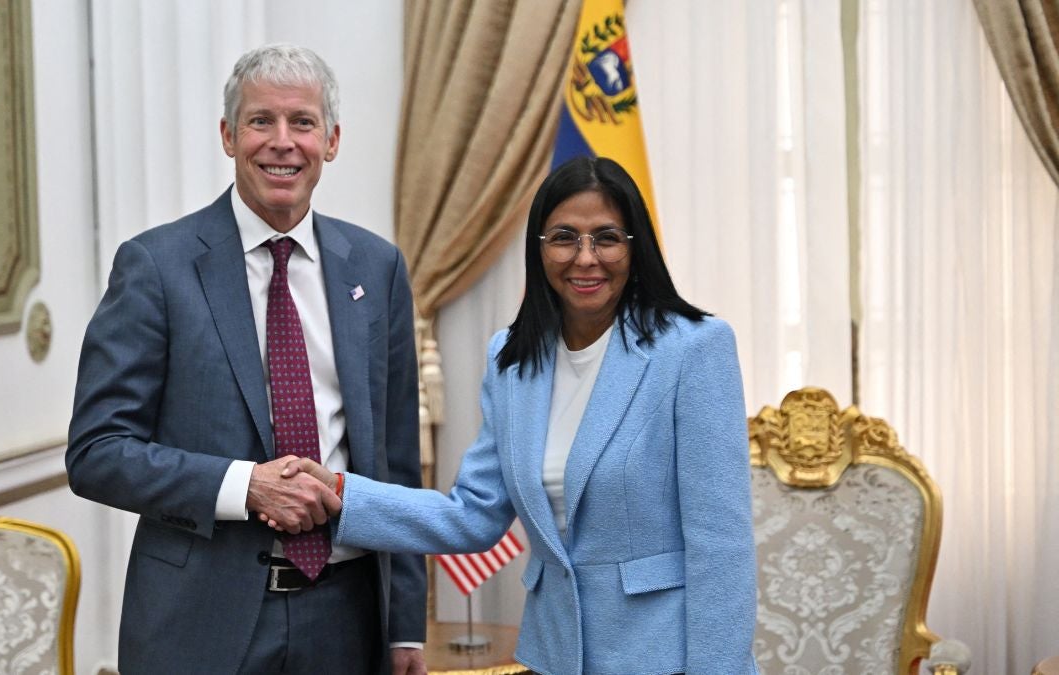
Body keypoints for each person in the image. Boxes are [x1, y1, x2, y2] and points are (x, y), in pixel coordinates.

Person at [278, 156, 758, 674]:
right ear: (539, 247)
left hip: (665, 658)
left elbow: (721, 548)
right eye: (564, 238)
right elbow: (473, 514)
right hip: (554, 656)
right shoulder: (511, 360)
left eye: (607, 238)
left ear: (635, 245)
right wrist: (342, 492)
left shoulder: (693, 349)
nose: (586, 258)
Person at [66, 44, 427, 675]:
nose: (282, 141)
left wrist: (405, 627)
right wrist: (245, 487)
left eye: (303, 122)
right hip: (198, 624)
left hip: (347, 620)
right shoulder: (156, 267)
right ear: (229, 136)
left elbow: (396, 461)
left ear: (331, 141)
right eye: (261, 121)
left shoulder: (377, 268)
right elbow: (97, 453)